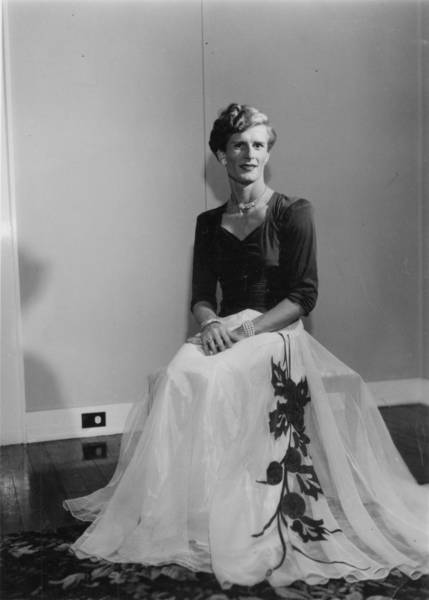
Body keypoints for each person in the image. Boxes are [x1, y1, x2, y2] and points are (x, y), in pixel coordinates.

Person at [64, 104, 428, 588]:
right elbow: (200, 295)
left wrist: (246, 332)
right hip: (223, 326)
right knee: (178, 374)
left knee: (219, 377)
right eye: (238, 145)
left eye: (258, 144)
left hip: (274, 332)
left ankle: (241, 512)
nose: (249, 154)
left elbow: (303, 296)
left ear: (268, 152)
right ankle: (189, 512)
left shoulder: (295, 212)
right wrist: (212, 323)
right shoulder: (207, 221)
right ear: (221, 154)